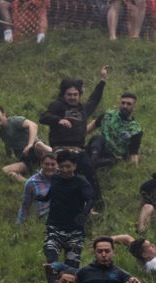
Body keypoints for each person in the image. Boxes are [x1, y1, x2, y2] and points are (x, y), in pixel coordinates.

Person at [40, 66, 109, 210]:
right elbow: (43, 117)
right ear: (64, 94)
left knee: (90, 172)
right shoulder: (57, 105)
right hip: (61, 149)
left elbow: (94, 99)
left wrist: (102, 80)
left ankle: (97, 206)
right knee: (66, 174)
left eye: (75, 94)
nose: (72, 97)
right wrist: (58, 120)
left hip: (79, 150)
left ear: (79, 95)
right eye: (69, 94)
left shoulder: (83, 109)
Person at [36, 151, 94, 283]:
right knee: (51, 263)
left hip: (74, 231)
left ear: (74, 166)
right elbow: (52, 192)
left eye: (68, 166)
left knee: (71, 270)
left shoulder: (81, 182)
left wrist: (84, 214)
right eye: (61, 166)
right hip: (54, 227)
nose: (64, 170)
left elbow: (91, 199)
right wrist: (44, 198)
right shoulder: (56, 179)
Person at [0, 103, 53, 183]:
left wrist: (30, 145)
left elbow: (33, 125)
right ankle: (32, 182)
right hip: (26, 160)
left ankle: (58, 157)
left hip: (36, 150)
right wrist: (8, 157)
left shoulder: (14, 121)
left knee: (39, 145)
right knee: (5, 171)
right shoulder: (2, 133)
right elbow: (8, 146)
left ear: (3, 113)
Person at [86, 92, 143, 170]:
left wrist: (133, 171)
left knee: (110, 162)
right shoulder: (108, 115)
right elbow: (90, 127)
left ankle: (91, 164)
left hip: (113, 156)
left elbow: (133, 153)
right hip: (98, 148)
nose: (125, 106)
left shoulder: (135, 130)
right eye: (123, 103)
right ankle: (92, 160)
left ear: (134, 107)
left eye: (129, 104)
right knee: (98, 138)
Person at [17, 153, 58, 224]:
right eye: (47, 164)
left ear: (57, 165)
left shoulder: (64, 178)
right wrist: (20, 225)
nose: (50, 167)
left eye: (53, 164)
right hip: (46, 217)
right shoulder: (32, 182)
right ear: (41, 164)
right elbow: (25, 207)